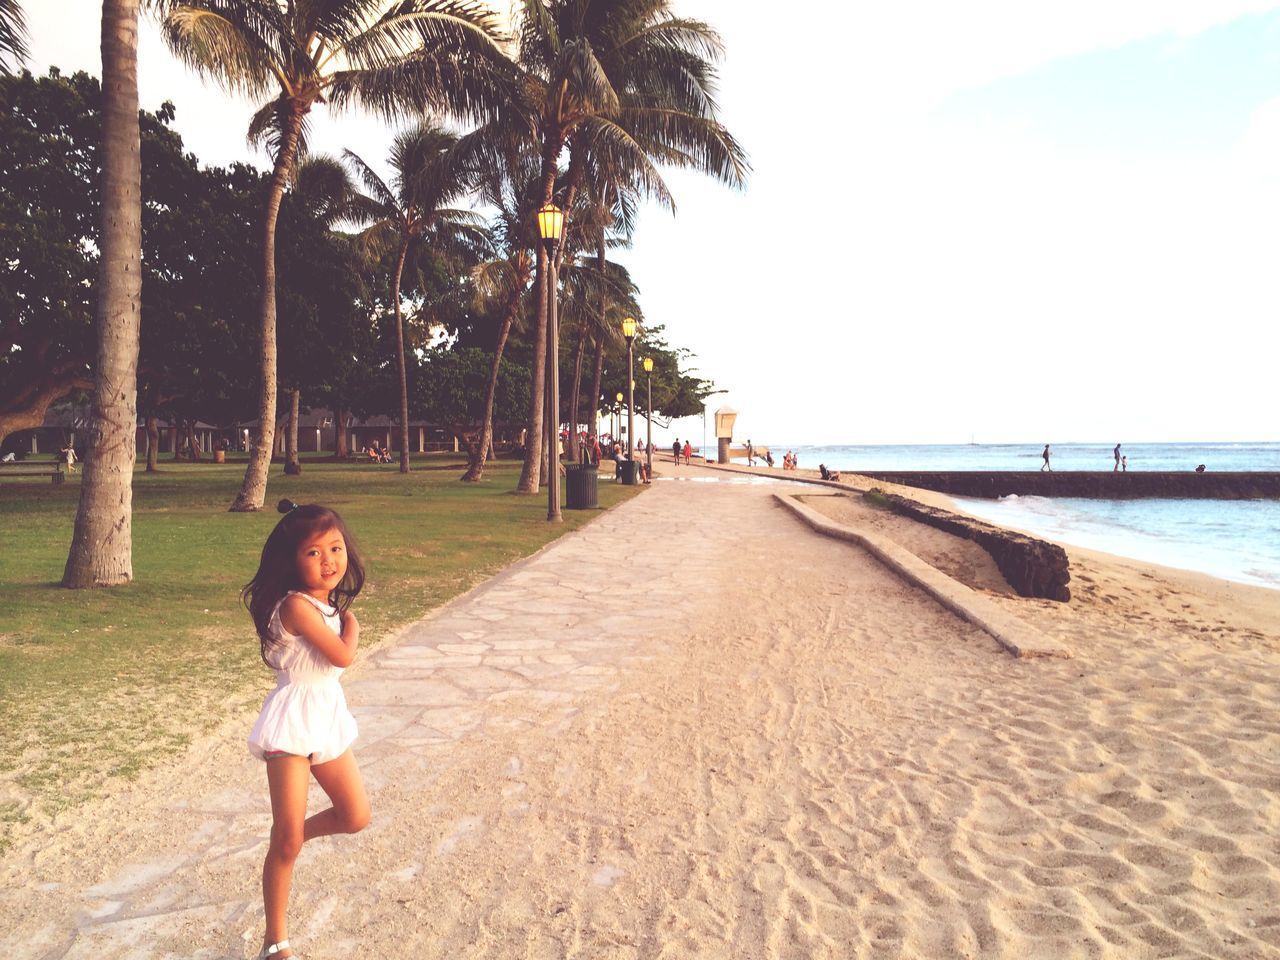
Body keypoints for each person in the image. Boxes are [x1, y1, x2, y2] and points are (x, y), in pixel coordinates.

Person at [243, 500, 371, 960]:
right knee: (287, 839)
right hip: (292, 721)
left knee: (355, 815)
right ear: (291, 561)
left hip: (326, 716)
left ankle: (291, 837)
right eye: (314, 553)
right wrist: (352, 627)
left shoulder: (322, 603)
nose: (329, 561)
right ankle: (274, 943)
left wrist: (342, 618)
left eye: (334, 549)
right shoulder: (297, 606)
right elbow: (341, 656)